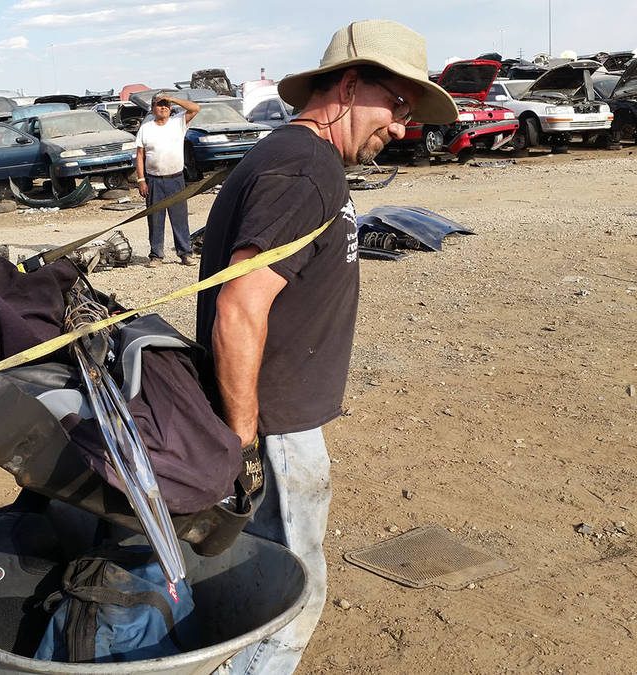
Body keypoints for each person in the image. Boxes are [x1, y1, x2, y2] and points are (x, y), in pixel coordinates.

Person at [196, 20, 458, 674]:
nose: (401, 126)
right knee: (289, 600)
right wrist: (246, 441)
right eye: (396, 104)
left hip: (276, 424)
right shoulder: (303, 169)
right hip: (274, 430)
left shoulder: (298, 159)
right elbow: (238, 308)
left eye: (409, 113)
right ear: (347, 86)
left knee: (262, 588)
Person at [134, 93, 200, 268]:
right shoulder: (146, 128)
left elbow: (195, 108)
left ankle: (185, 253)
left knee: (180, 219)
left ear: (170, 108)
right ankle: (156, 256)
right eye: (159, 104)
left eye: (166, 105)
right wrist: (141, 180)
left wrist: (172, 99)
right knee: (155, 220)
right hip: (154, 180)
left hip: (176, 179)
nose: (163, 107)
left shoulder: (178, 122)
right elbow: (139, 155)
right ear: (152, 109)